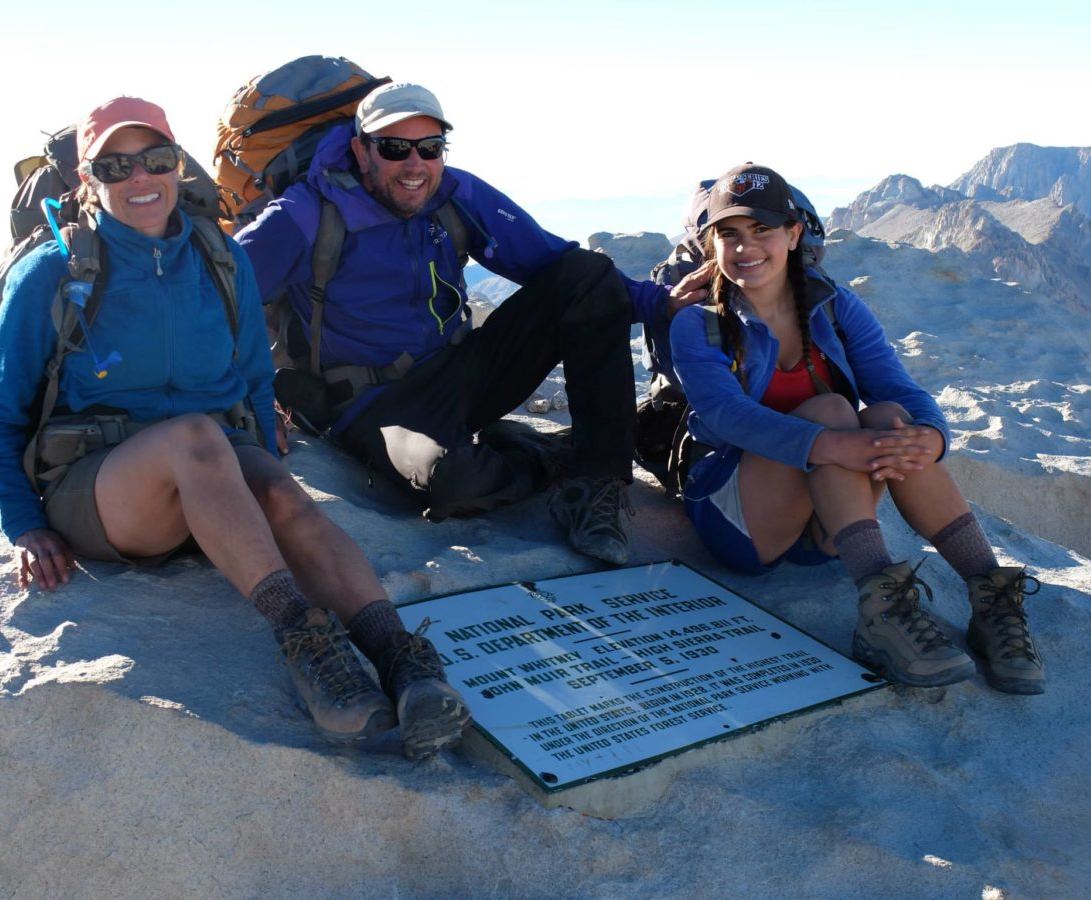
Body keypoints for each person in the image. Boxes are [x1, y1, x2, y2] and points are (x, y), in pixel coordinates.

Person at [0, 96, 469, 759]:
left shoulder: (217, 258)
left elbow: (255, 379)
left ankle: (400, 658)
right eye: (116, 166)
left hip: (207, 474)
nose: (140, 178)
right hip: (101, 491)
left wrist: (259, 485)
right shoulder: (52, 274)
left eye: (155, 159)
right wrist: (22, 524)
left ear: (179, 166)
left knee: (284, 495)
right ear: (88, 180)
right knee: (197, 438)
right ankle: (309, 648)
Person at [237, 83, 670, 566]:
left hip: (459, 369)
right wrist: (249, 401)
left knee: (588, 275)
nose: (415, 164)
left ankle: (595, 484)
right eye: (394, 148)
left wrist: (666, 306)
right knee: (455, 482)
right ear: (361, 150)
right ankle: (542, 454)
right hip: (375, 404)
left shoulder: (455, 194)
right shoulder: (303, 214)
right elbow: (219, 303)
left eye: (431, 147)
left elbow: (551, 261)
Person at [667, 162, 1045, 694]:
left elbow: (901, 388)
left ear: (794, 234)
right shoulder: (700, 322)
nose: (745, 248)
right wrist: (833, 441)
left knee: (892, 417)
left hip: (826, 525)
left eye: (762, 231)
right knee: (833, 413)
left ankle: (990, 595)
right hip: (743, 521)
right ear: (711, 243)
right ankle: (881, 613)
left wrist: (934, 436)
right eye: (729, 234)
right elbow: (726, 414)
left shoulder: (836, 308)